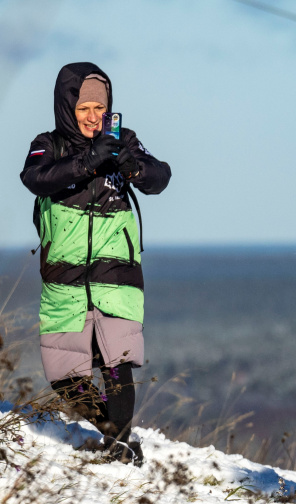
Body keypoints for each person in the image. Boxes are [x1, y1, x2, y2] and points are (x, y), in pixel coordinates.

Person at [20, 62, 171, 465]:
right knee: (65, 375)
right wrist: (88, 161)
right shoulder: (47, 144)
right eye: (84, 107)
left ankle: (119, 447)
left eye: (99, 109)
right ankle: (115, 435)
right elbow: (35, 178)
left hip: (117, 274)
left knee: (116, 360)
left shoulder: (125, 141)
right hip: (62, 279)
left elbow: (161, 177)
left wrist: (133, 166)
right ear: (67, 106)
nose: (92, 117)